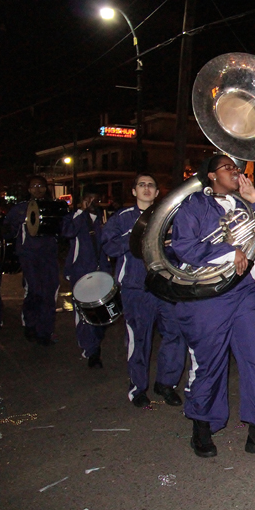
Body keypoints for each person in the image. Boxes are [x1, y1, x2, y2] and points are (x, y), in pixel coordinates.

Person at [170, 155, 255, 459]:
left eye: (236, 167)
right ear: (211, 175)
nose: (235, 171)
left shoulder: (246, 204)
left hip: (246, 289)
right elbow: (183, 246)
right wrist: (228, 250)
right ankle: (202, 425)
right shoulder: (194, 205)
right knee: (208, 361)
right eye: (227, 167)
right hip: (209, 291)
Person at [101, 173, 186, 408]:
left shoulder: (168, 216)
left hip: (165, 286)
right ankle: (138, 388)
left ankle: (166, 384)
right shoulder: (123, 217)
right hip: (136, 288)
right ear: (134, 191)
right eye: (142, 185)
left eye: (151, 185)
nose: (147, 189)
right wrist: (134, 236)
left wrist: (172, 242)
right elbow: (108, 245)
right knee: (138, 339)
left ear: (158, 193)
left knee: (175, 333)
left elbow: (182, 249)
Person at [4, 176, 60, 346]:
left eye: (41, 186)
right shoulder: (20, 209)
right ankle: (30, 324)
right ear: (28, 189)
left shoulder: (53, 207)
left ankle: (45, 332)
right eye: (34, 186)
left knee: (49, 293)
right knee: (34, 291)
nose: (38, 189)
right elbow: (7, 230)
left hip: (48, 256)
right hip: (29, 256)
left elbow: (65, 229)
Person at [62, 186, 111, 366]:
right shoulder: (74, 217)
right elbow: (67, 232)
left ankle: (95, 341)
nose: (91, 202)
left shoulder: (101, 218)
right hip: (80, 272)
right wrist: (80, 212)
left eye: (94, 199)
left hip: (100, 272)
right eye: (88, 199)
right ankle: (90, 350)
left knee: (103, 313)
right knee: (84, 313)